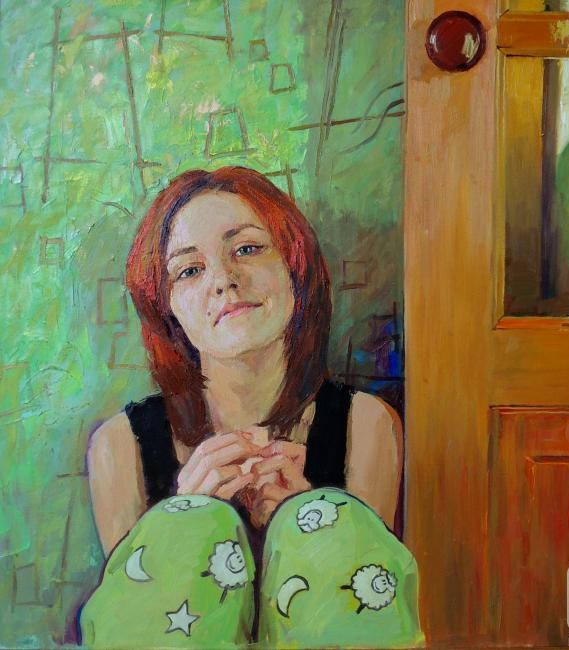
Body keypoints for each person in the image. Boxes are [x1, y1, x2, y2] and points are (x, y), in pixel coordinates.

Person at [80, 167, 424, 648]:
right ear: (167, 308)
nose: (224, 280)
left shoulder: (365, 425)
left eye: (246, 249)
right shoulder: (120, 447)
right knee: (192, 528)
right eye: (189, 270)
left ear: (294, 267)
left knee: (330, 523)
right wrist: (183, 523)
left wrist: (309, 520)